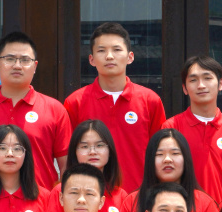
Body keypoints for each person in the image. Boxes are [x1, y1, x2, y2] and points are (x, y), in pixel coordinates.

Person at [0, 31, 71, 189]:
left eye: (25, 60)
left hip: (40, 200)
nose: (17, 65)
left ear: (35, 66)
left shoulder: (55, 110)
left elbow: (67, 168)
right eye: (10, 59)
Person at [63, 22, 166, 191]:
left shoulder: (150, 101)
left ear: (130, 57)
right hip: (90, 196)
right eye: (101, 50)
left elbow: (160, 153)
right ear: (91, 59)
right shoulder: (75, 102)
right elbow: (68, 155)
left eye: (117, 50)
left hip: (139, 196)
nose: (109, 56)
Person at [162, 55, 222, 203]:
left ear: (221, 84)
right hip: (183, 210)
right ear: (184, 88)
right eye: (193, 80)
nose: (201, 85)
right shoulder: (171, 128)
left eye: (207, 78)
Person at [43, 119, 127, 212]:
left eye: (99, 145)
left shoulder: (121, 196)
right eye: (84, 146)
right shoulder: (60, 191)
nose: (92, 152)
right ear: (74, 152)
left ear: (110, 151)